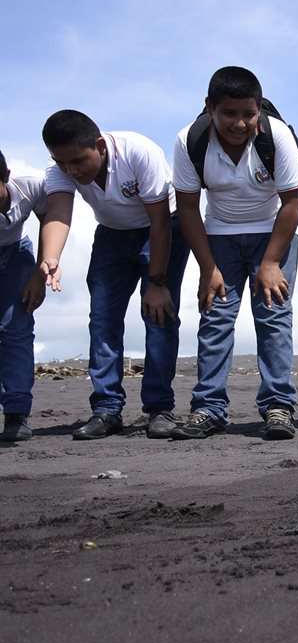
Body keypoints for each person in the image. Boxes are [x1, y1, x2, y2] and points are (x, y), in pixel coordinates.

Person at [171, 66, 298, 440]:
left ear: (259, 109)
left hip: (273, 233)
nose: (240, 123)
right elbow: (187, 208)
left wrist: (271, 262)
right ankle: (209, 408)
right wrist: (207, 268)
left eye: (249, 113)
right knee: (215, 317)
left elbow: (293, 201)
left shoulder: (277, 135)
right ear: (210, 108)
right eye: (229, 113)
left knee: (273, 316)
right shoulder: (189, 140)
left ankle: (278, 406)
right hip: (219, 236)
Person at [39, 110, 189, 440]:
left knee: (159, 316)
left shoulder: (138, 152)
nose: (71, 171)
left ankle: (159, 409)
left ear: (99, 146)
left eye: (78, 161)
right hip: (111, 235)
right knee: (103, 319)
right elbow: (59, 212)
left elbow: (160, 221)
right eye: (62, 163)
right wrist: (51, 256)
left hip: (162, 230)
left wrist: (157, 282)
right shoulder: (59, 168)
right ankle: (106, 409)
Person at [0, 152, 49, 442]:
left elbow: (50, 220)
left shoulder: (29, 187)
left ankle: (16, 412)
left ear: (5, 177)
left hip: (17, 255)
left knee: (17, 330)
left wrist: (39, 274)